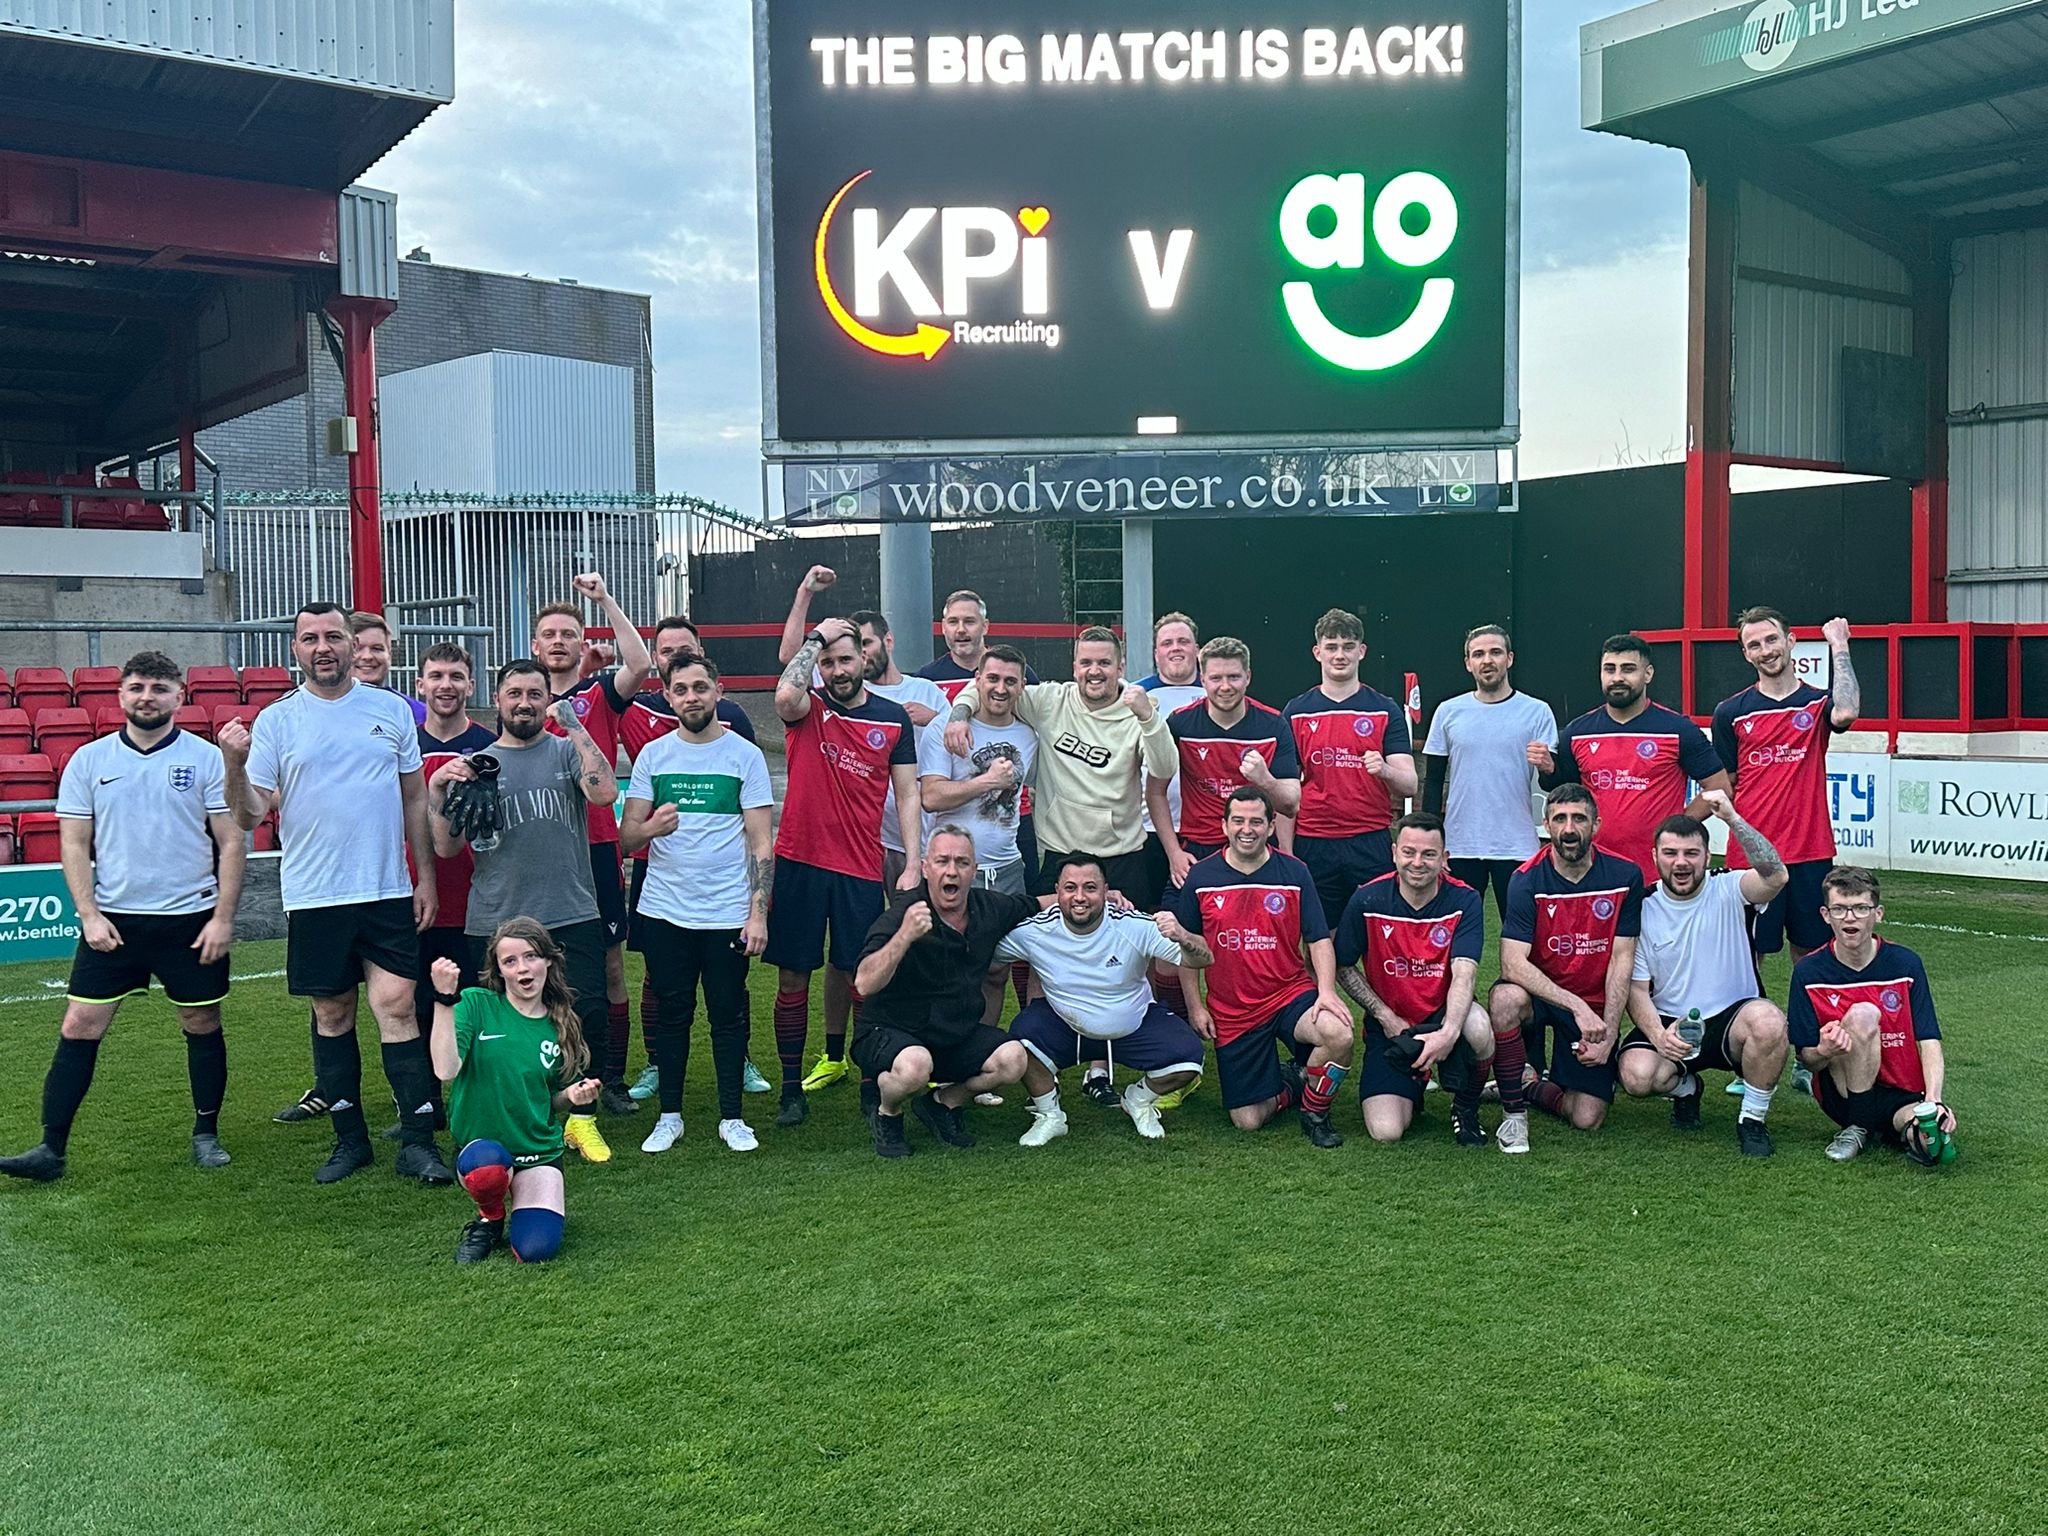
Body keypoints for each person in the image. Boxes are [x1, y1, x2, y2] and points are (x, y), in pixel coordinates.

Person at [221, 602, 450, 1185]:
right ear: (295, 649)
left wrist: (424, 876)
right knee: (332, 1011)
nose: (322, 646)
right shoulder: (276, 721)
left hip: (385, 891)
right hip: (315, 896)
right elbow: (250, 815)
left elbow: (414, 799)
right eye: (309, 638)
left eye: (333, 636)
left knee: (397, 1007)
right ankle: (351, 1141)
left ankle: (418, 1142)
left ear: (354, 644)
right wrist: (234, 763)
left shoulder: (391, 710)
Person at [0, 653, 243, 1182]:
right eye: (137, 687)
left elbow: (230, 842)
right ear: (120, 695)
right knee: (79, 1024)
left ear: (180, 695)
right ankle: (50, 1149)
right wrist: (87, 914)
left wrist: (223, 918)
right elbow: (73, 842)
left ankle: (206, 1134)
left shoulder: (205, 760)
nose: (147, 696)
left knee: (201, 1022)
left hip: (190, 920)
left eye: (159, 687)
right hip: (115, 923)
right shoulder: (89, 760)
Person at [427, 659, 618, 1163]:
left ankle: (581, 1120)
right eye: (515, 693)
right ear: (499, 700)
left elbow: (605, 793)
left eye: (535, 694)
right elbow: (446, 849)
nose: (525, 703)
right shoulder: (477, 764)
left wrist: (573, 722)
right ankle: (503, 1119)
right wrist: (437, 792)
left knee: (585, 1014)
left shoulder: (564, 749)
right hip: (497, 918)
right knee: (498, 1027)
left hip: (569, 909)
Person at [767, 614, 920, 1124]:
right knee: (793, 976)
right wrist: (814, 638)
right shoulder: (807, 708)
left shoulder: (893, 718)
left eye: (846, 658)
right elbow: (785, 696)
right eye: (827, 661)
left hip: (858, 866)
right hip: (799, 861)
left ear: (865, 660)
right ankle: (791, 1088)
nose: (837, 669)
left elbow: (908, 795)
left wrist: (913, 860)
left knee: (861, 977)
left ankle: (867, 1077)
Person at [619, 653, 774, 1154]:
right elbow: (625, 838)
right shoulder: (654, 756)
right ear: (668, 695)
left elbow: (760, 843)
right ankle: (670, 1116)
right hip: (666, 911)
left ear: (718, 690)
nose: (692, 697)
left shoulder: (744, 755)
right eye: (681, 689)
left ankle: (732, 1117)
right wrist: (650, 829)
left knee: (728, 1015)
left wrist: (757, 912)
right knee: (672, 1014)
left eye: (700, 688)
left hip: (727, 912)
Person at [531, 573, 653, 1115]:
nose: (558, 641)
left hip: (597, 847)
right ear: (534, 646)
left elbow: (642, 666)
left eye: (568, 634)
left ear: (582, 644)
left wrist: (604, 599)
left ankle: (611, 1078)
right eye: (548, 634)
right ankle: (553, 1075)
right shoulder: (523, 699)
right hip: (540, 851)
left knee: (607, 967)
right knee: (541, 966)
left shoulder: (595, 696)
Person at [1174, 787, 1353, 1149]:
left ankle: (1315, 1112)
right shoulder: (1202, 877)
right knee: (1248, 1121)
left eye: (1256, 821)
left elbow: (1318, 939)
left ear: (1272, 826)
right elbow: (1187, 950)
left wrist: (1327, 992)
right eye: (1238, 820)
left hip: (1289, 994)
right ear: (1224, 826)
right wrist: (1196, 1006)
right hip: (1234, 1011)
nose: (1247, 829)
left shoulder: (1294, 872)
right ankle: (1295, 1082)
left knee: (1340, 1034)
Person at [944, 626, 1175, 902]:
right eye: (1086, 663)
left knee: (1131, 943)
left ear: (1120, 667)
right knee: (1049, 944)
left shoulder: (1138, 710)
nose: (1094, 671)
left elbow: (1164, 769)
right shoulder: (1050, 701)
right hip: (1060, 855)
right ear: (1074, 666)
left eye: (1104, 663)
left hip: (1121, 857)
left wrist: (1148, 717)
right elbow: (989, 685)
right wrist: (959, 714)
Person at [1616, 794, 1791, 1157]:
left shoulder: (1729, 887)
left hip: (1732, 1018)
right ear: (1655, 857)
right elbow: (1636, 988)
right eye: (1670, 854)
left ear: (1707, 857)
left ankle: (1752, 1120)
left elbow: (1777, 875)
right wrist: (1658, 1036)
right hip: (1672, 1022)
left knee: (1770, 1022)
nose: (1681, 863)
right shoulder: (1643, 909)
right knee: (1635, 1075)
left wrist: (1732, 818)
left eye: (1691, 854)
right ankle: (1686, 1088)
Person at [998, 853, 1212, 1145]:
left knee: (1188, 1059)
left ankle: (1138, 1100)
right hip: (1065, 1026)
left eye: (1090, 887)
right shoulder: (1035, 930)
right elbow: (987, 956)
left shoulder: (1133, 925)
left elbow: (1203, 958)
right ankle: (1050, 1116)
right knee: (1021, 1043)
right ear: (1057, 891)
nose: (1080, 897)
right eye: (1070, 888)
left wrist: (1184, 936)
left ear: (1106, 890)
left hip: (1132, 1024)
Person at [851, 826, 1037, 1157]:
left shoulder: (987, 907)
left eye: (962, 862)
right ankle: (888, 1112)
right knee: (914, 1067)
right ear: (925, 868)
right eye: (942, 861)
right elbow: (864, 983)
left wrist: (1096, 896)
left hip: (954, 1034)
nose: (952, 871)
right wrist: (904, 937)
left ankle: (941, 1103)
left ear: (973, 871)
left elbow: (1036, 903)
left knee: (1013, 1060)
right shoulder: (904, 913)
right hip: (891, 1032)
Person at [429, 920, 602, 1264]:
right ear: (499, 970)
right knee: (487, 1167)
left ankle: (521, 1201)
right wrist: (443, 1001)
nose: (522, 968)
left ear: (548, 961)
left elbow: (546, 1099)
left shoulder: (560, 1023)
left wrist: (570, 1098)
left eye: (531, 956)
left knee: (535, 1250)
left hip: (537, 1150)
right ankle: (491, 1217)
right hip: (483, 1151)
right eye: (510, 961)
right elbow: (446, 1070)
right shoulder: (476, 1004)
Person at [1488, 786, 1645, 1144]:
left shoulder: (1625, 877)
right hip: (1544, 996)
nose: (1569, 829)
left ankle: (1530, 1086)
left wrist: (1609, 1031)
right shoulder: (1526, 879)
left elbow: (1623, 959)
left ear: (1596, 824)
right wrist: (1574, 1006)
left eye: (1579, 819)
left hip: (1593, 1003)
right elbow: (1512, 963)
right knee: (1506, 998)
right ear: (1546, 824)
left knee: (1587, 1117)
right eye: (1559, 819)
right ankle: (1514, 1113)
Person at [1333, 812, 1495, 1147]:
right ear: (1394, 853)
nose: (1417, 862)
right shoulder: (1367, 899)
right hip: (1393, 1025)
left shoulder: (1464, 899)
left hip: (1444, 1014)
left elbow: (1465, 974)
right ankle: (1415, 1082)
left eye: (1429, 854)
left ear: (1444, 858)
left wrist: (1448, 1033)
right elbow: (1343, 966)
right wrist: (1385, 1016)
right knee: (1386, 1132)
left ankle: (1465, 1107)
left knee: (1479, 1028)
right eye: (1409, 852)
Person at [1713, 609, 1859, 961]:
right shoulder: (1730, 712)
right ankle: (1746, 1018)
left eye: (1772, 639)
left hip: (1810, 850)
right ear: (1746, 654)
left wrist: (1839, 645)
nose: (1766, 650)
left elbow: (1847, 711)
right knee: (1747, 955)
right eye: (1754, 645)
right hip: (1751, 854)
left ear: (1790, 641)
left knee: (1812, 951)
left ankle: (1810, 1019)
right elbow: (1726, 782)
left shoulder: (1817, 703)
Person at [1788, 867, 1957, 1167]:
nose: (1850, 918)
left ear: (1878, 913)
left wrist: (1934, 1101)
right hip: (1843, 1094)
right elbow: (1807, 1059)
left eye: (1860, 908)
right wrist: (1825, 1050)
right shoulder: (1808, 972)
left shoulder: (1906, 964)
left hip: (1901, 1093)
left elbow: (1928, 1039)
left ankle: (1885, 1129)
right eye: (1840, 909)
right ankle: (1857, 1125)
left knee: (1930, 1146)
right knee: (1863, 1014)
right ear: (1826, 915)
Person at [1281, 608, 1418, 931]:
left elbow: (1409, 783)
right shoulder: (1297, 711)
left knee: (1379, 933)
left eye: (1347, 646)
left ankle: (1374, 985)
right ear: (1318, 653)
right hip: (1313, 841)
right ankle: (1322, 985)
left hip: (1368, 839)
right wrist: (1286, 850)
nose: (1339, 655)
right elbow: (1287, 792)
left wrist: (1384, 770)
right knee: (1318, 935)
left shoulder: (1383, 709)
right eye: (1331, 647)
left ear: (1362, 651)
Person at [1551, 633, 1729, 880]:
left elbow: (1720, 787)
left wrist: (1677, 827)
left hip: (1656, 873)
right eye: (1609, 669)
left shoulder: (1678, 730)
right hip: (1593, 868)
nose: (1617, 678)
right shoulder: (1577, 732)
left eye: (1628, 669)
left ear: (1648, 674)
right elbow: (1566, 795)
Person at [1422, 623, 1558, 920]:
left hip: (1517, 843)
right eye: (1479, 654)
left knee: (1522, 932)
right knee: (1453, 930)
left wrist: (1549, 768)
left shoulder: (1537, 711)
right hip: (1460, 844)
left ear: (1509, 658)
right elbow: (1432, 782)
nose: (1487, 660)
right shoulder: (1447, 711)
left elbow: (1553, 784)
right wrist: (1431, 839)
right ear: (1468, 663)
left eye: (1495, 652)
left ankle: (1512, 971)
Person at [1148, 636, 1300, 882]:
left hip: (1257, 847)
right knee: (1172, 919)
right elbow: (1155, 791)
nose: (1225, 686)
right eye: (1216, 678)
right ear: (1203, 679)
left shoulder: (1273, 725)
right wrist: (1174, 852)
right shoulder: (1180, 723)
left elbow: (1291, 805)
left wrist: (1265, 780)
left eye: (1234, 677)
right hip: (1199, 850)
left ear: (1248, 677)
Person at [918, 645, 1038, 897]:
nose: (1000, 689)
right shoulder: (946, 727)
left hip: (1008, 869)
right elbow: (931, 797)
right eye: (993, 679)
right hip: (952, 869)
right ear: (978, 680)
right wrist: (988, 781)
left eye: (1010, 681)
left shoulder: (1028, 736)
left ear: (1022, 685)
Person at [1134, 612, 1205, 905]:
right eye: (1167, 643)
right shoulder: (1136, 694)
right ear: (1156, 653)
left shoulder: (1215, 691)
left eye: (1183, 641)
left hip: (1202, 828)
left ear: (1197, 649)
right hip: (1145, 827)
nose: (1175, 648)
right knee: (1149, 915)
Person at [350, 611, 428, 724]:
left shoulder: (417, 714)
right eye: (357, 649)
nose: (367, 656)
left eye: (377, 648)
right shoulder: (321, 710)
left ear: (390, 655)